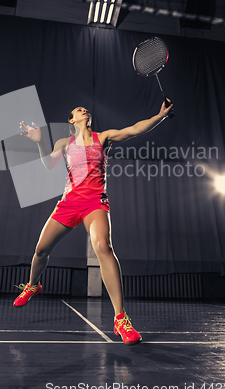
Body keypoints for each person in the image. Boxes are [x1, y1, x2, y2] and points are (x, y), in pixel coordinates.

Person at [13, 100, 173, 345]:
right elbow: (48, 164)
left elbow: (135, 129)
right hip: (68, 203)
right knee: (40, 250)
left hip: (95, 203)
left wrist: (160, 116)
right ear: (71, 120)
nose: (84, 110)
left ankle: (120, 319)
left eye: (85, 109)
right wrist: (39, 142)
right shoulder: (65, 144)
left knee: (103, 247)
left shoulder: (104, 138)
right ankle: (33, 285)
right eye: (78, 110)